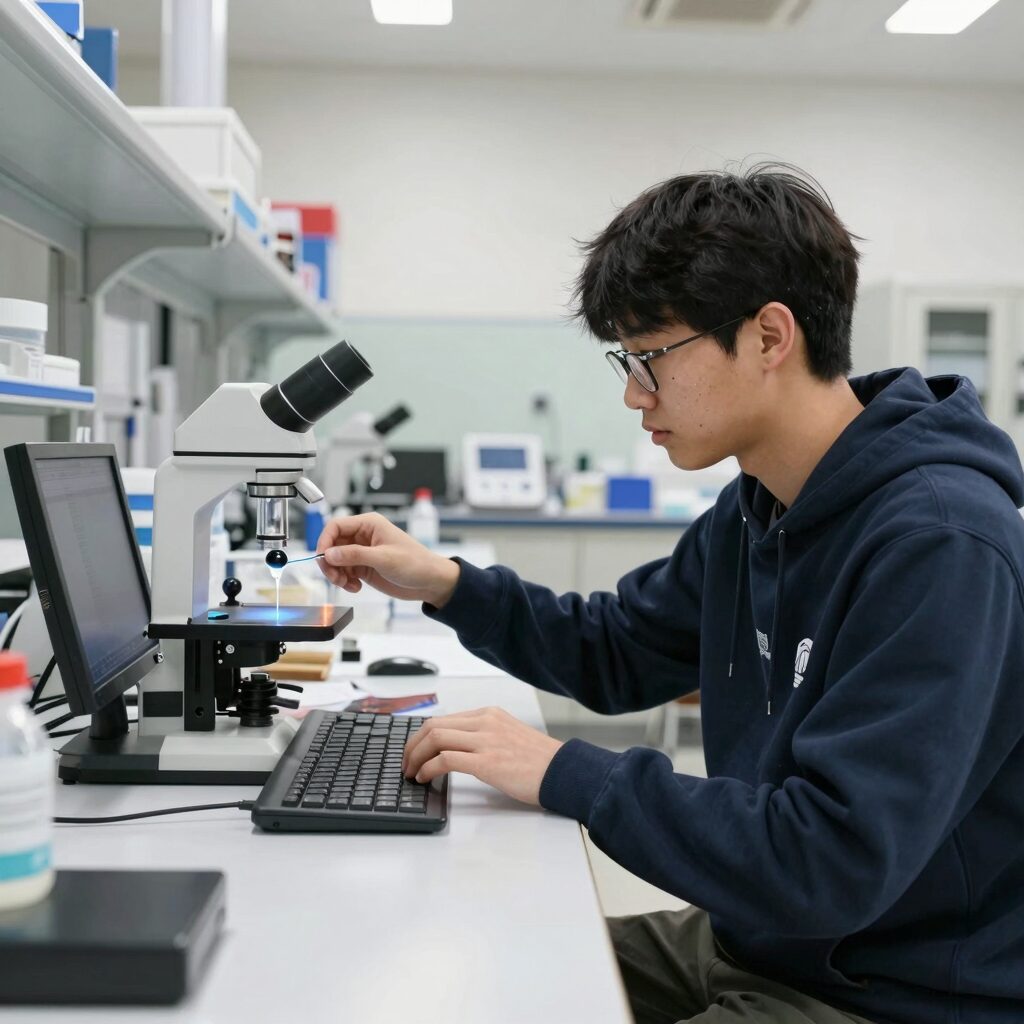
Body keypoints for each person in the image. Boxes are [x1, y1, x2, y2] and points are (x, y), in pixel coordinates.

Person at [316, 166, 1024, 1024]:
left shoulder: (940, 545)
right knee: (465, 961)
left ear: (770, 337)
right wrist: (450, 586)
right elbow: (618, 651)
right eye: (627, 360)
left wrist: (564, 772)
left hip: (892, 993)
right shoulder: (759, 505)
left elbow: (831, 861)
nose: (631, 393)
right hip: (755, 938)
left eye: (651, 358)